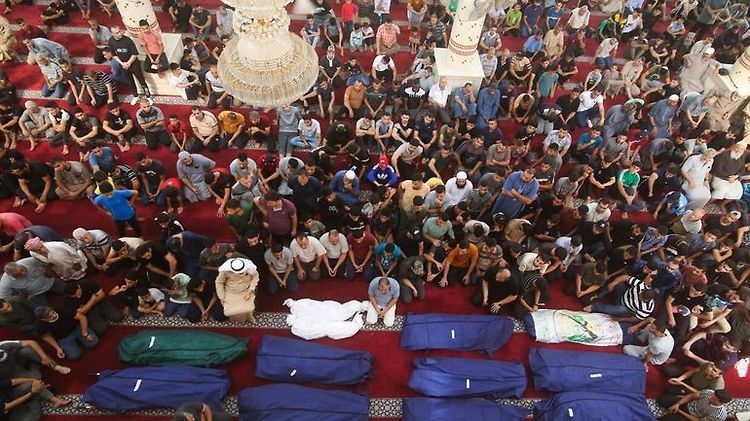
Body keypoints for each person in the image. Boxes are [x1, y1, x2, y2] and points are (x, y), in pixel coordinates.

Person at [214, 257, 258, 323]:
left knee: (249, 308)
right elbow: (219, 283)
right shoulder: (225, 271)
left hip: (246, 291)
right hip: (231, 292)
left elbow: (255, 278)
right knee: (229, 312)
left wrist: (249, 291)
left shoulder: (250, 268)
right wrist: (221, 297)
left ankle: (249, 317)